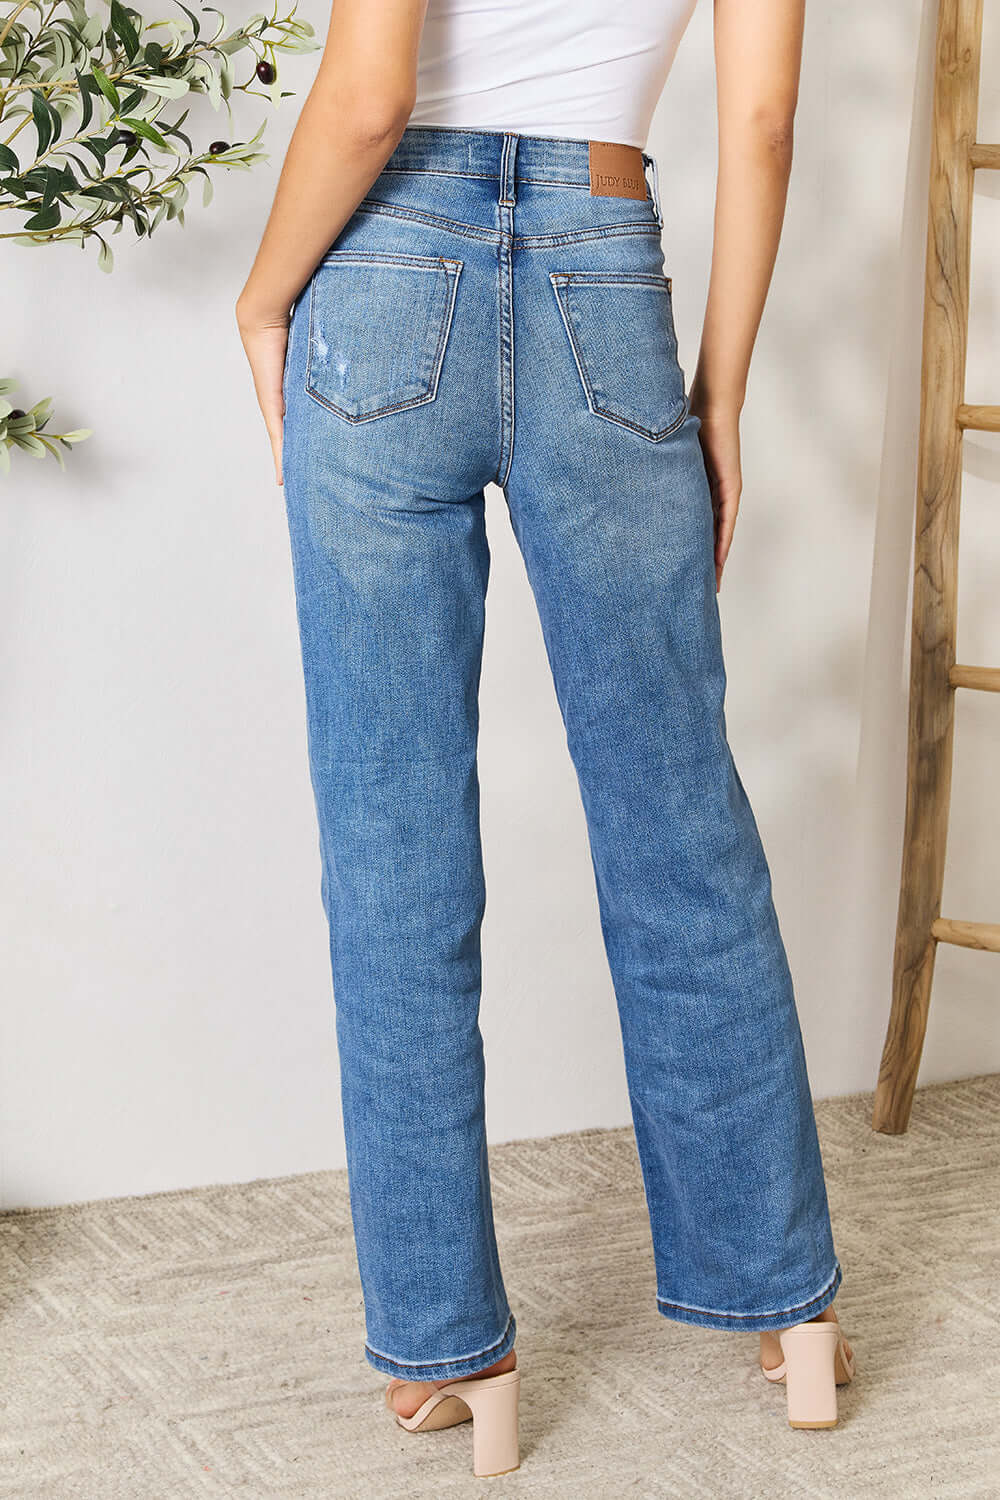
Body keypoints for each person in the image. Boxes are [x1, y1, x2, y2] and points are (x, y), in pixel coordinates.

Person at [236, 0, 855, 1477]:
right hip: (603, 272)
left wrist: (262, 301)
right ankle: (791, 1316)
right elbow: (764, 124)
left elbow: (373, 93)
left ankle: (456, 1357)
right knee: (681, 829)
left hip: (381, 278)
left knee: (394, 852)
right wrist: (723, 395)